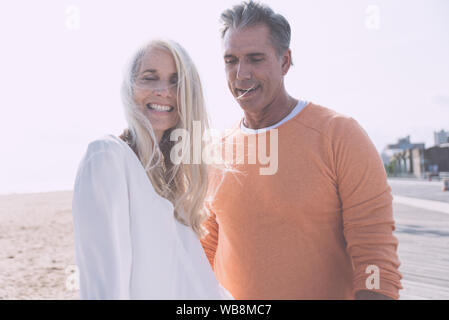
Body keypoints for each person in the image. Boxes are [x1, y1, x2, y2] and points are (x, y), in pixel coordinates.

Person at [200, 1, 403, 300]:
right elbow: (206, 248)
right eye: (231, 60)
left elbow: (375, 254)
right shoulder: (216, 150)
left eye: (255, 59)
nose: (241, 73)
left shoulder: (340, 135)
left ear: (284, 62)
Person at [72, 39, 233, 299]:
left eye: (175, 81)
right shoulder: (107, 157)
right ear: (130, 86)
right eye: (150, 77)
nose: (163, 90)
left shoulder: (177, 188)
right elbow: (104, 289)